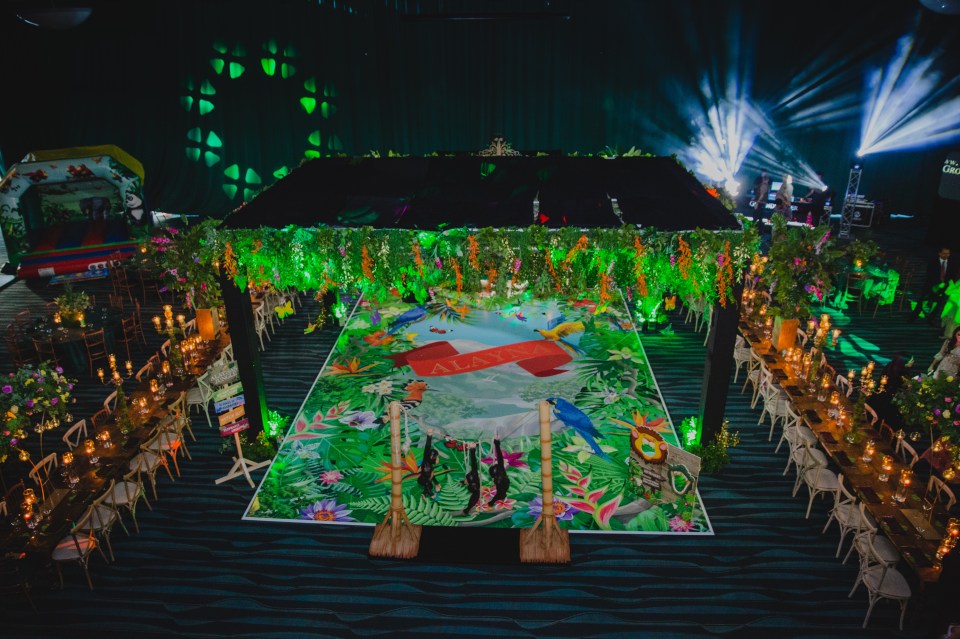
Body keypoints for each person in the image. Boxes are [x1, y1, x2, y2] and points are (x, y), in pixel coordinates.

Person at [911, 246, 958, 325]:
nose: (946, 255)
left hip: (944, 287)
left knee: (938, 305)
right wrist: (936, 285)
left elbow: (953, 275)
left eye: (948, 254)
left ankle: (931, 319)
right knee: (922, 302)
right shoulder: (933, 262)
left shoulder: (952, 263)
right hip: (931, 285)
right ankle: (913, 318)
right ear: (939, 253)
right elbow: (929, 274)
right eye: (944, 253)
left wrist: (946, 283)